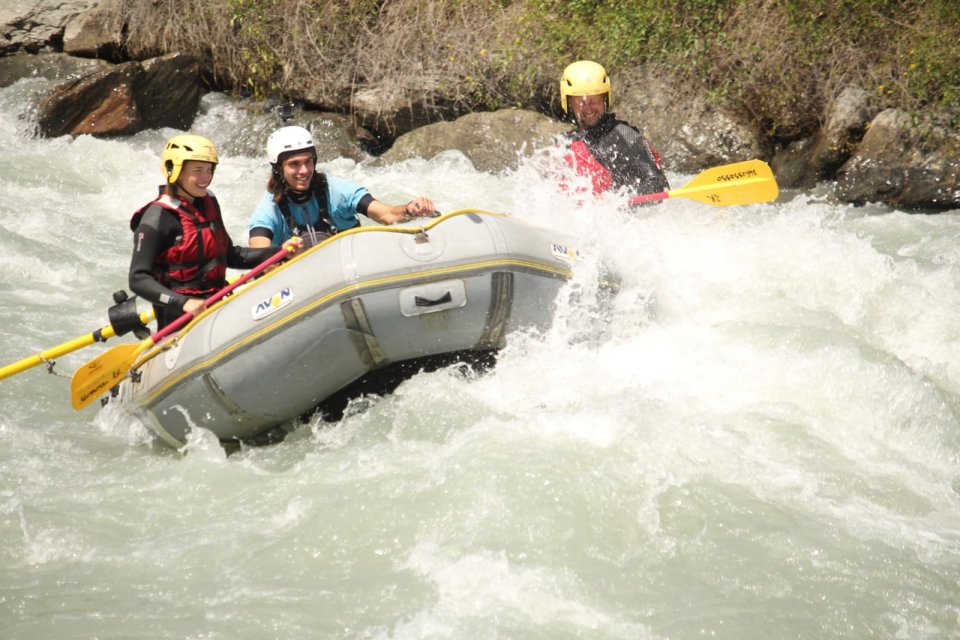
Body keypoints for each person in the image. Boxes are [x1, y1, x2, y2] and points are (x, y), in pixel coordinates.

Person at [129, 134, 303, 330]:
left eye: (209, 170)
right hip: (179, 322)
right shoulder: (156, 217)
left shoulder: (208, 202)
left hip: (216, 309)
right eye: (198, 171)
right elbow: (138, 278)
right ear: (174, 171)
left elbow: (231, 256)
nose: (206, 178)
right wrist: (182, 302)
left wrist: (279, 251)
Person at [248, 126, 436, 249]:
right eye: (294, 164)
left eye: (308, 161)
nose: (304, 170)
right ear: (279, 168)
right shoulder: (269, 208)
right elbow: (259, 252)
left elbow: (388, 215)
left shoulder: (336, 191)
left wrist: (410, 209)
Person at [559, 60, 670, 198]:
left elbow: (659, 185)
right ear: (569, 103)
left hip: (625, 216)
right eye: (581, 102)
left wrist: (615, 199)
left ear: (605, 99)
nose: (588, 108)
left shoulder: (624, 135)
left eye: (594, 101)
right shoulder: (566, 141)